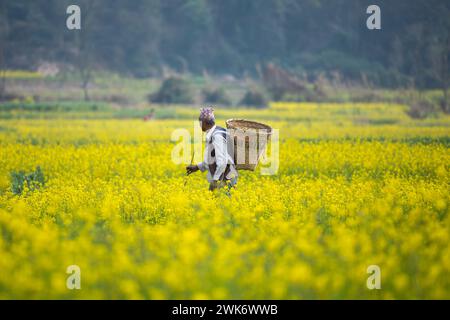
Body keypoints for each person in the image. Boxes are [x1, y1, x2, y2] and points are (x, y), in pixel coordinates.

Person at [186, 106, 238, 191]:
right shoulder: (217, 132)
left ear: (205, 123)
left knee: (220, 202)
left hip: (225, 178)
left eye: (200, 122)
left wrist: (215, 181)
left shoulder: (216, 136)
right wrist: (197, 167)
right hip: (224, 177)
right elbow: (213, 159)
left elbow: (222, 162)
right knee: (214, 201)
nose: (199, 125)